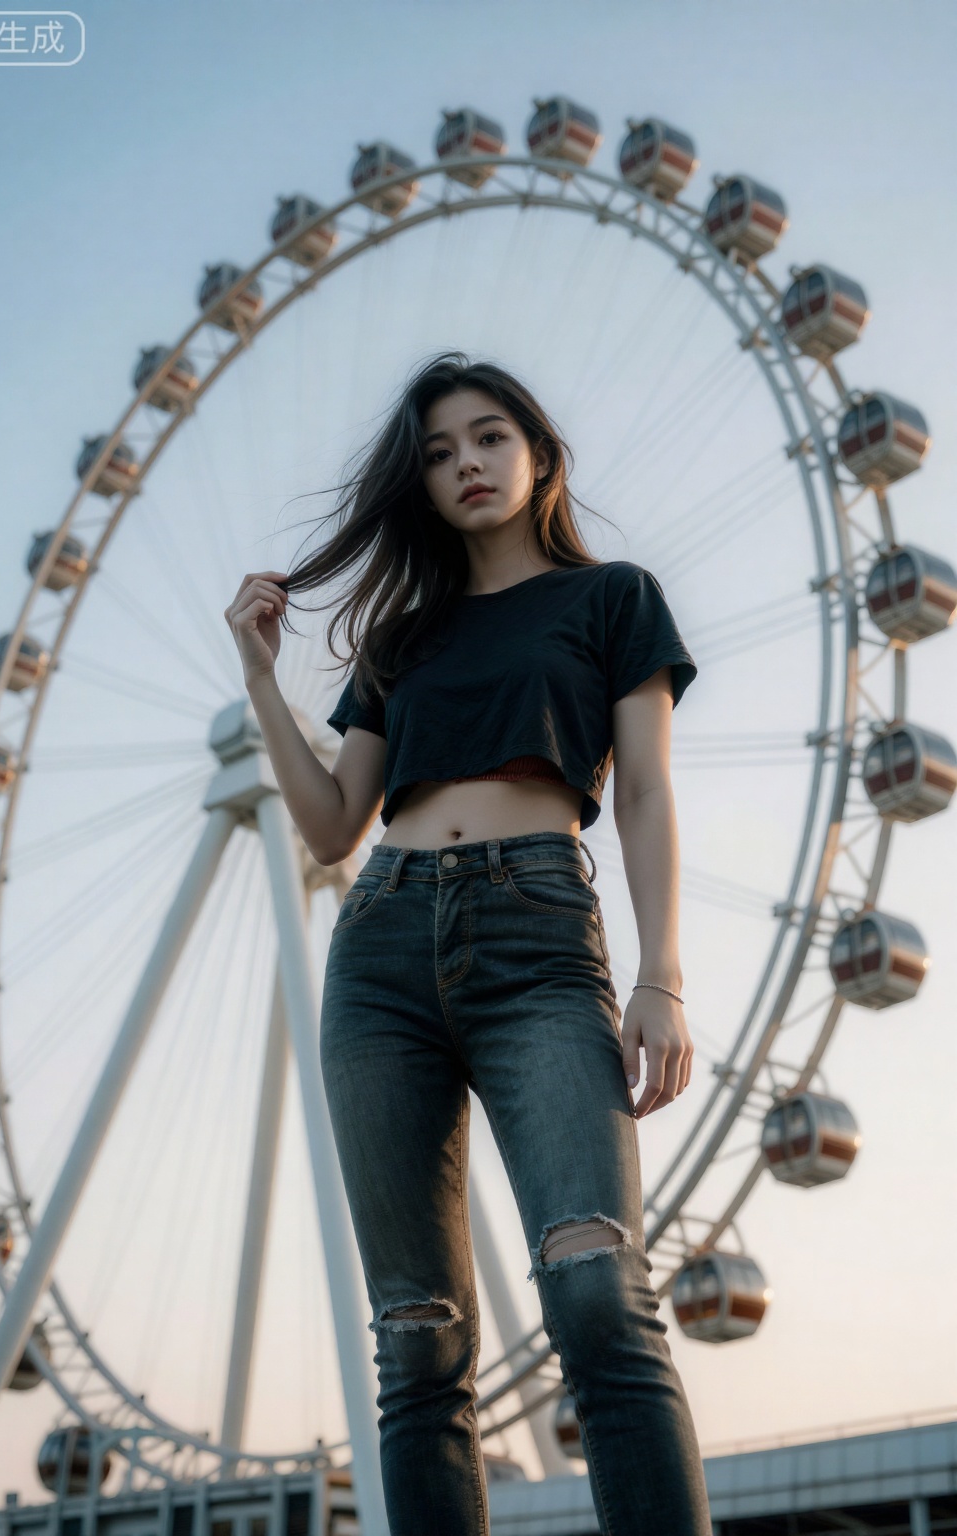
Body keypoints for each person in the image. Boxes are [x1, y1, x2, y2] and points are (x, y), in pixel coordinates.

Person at [224, 352, 712, 1535]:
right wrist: (258, 673)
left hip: (538, 935)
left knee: (597, 1290)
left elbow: (643, 791)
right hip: (381, 944)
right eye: (439, 454)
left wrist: (660, 976)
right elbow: (335, 823)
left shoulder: (612, 600)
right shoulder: (399, 638)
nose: (467, 466)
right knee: (417, 1336)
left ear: (537, 451)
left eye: (488, 438)